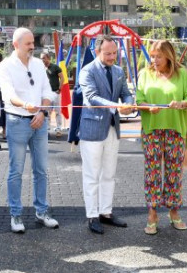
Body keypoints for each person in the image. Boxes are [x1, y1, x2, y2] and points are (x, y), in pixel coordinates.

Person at [0, 27, 59, 233]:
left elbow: (47, 92)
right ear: (16, 44)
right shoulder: (4, 66)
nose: (33, 47)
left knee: (41, 170)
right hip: (17, 122)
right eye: (28, 44)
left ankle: (41, 212)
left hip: (40, 122)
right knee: (16, 171)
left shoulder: (39, 64)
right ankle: (16, 215)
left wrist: (42, 112)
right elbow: (8, 95)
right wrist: (25, 105)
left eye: (33, 43)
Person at [77, 34, 135, 234]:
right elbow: (92, 97)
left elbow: (126, 92)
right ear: (97, 51)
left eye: (114, 53)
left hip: (112, 129)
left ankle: (106, 212)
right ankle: (92, 216)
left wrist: (127, 102)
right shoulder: (87, 71)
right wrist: (117, 106)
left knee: (109, 174)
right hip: (92, 129)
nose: (112, 57)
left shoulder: (119, 70)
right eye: (108, 53)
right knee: (92, 175)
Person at [136, 40, 187, 235]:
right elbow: (139, 100)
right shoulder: (144, 74)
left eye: (158, 56)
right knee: (152, 172)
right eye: (152, 56)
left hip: (175, 130)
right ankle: (152, 213)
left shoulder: (182, 73)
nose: (154, 60)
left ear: (168, 56)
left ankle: (174, 212)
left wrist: (181, 103)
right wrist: (146, 107)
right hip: (152, 129)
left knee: (174, 172)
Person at [41, 52, 65, 137]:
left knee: (57, 111)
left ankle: (58, 129)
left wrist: (59, 88)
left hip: (55, 93)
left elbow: (62, 77)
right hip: (46, 95)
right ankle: (47, 130)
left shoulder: (55, 67)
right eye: (41, 58)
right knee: (47, 112)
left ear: (48, 58)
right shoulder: (42, 69)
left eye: (44, 58)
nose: (42, 60)